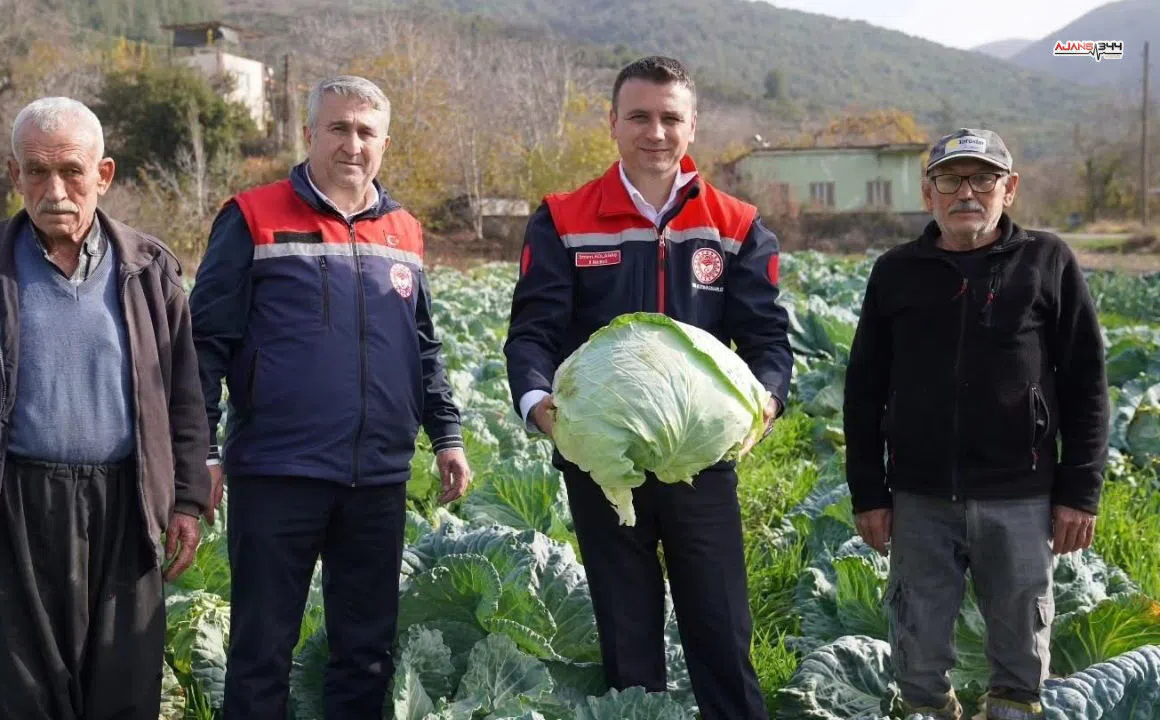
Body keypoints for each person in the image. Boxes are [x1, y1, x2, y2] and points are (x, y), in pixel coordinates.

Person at [0, 96, 211, 719]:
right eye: (36, 171)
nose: (55, 189)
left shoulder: (150, 270)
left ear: (104, 174)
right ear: (15, 177)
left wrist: (188, 500)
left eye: (71, 169)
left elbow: (184, 398)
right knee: (16, 697)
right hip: (4, 508)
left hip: (125, 507)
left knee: (121, 692)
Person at [503, 56, 792, 720]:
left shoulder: (736, 223)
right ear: (612, 123)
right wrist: (540, 407)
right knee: (627, 638)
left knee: (721, 632)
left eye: (670, 118)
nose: (654, 132)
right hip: (603, 459)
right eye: (639, 116)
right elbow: (532, 334)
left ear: (692, 127)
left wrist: (765, 404)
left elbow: (769, 341)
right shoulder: (563, 218)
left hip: (701, 459)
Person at [189, 75, 471, 719]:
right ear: (309, 133)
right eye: (338, 128)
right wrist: (200, 450)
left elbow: (422, 346)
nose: (352, 143)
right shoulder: (252, 216)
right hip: (277, 470)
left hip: (377, 475)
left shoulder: (403, 231)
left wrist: (447, 434)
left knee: (366, 652)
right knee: (263, 649)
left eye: (366, 132)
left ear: (385, 143)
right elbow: (205, 344)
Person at [843, 128, 1109, 720]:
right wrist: (868, 490)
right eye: (951, 178)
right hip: (919, 497)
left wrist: (1080, 492)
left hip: (1021, 495)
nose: (967, 192)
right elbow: (862, 390)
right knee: (917, 655)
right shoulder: (896, 271)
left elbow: (1087, 384)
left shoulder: (1048, 261)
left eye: (983, 178)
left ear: (1008, 188)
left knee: (1020, 659)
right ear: (928, 192)